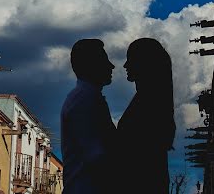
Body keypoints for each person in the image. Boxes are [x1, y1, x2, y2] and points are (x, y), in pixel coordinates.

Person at [117, 38, 176, 194]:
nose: (125, 65)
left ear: (144, 63)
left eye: (130, 60)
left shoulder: (148, 103)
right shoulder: (152, 100)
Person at [60, 38, 118, 194]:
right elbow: (97, 155)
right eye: (104, 60)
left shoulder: (84, 98)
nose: (111, 66)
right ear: (91, 65)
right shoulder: (86, 100)